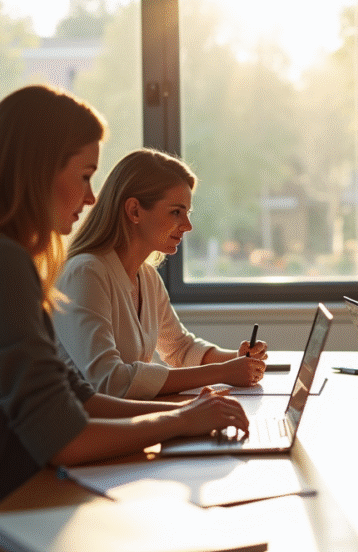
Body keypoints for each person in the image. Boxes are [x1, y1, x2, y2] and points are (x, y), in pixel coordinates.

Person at [0, 85, 248, 516]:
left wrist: (188, 410)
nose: (90, 197)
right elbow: (64, 439)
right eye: (85, 176)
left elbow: (79, 398)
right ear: (38, 171)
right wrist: (179, 421)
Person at [53, 149, 267, 400]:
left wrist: (237, 359)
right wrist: (221, 372)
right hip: (90, 432)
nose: (187, 226)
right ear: (134, 211)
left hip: (126, 423)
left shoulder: (147, 277)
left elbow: (180, 348)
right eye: (176, 212)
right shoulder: (85, 274)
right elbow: (111, 381)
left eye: (187, 213)